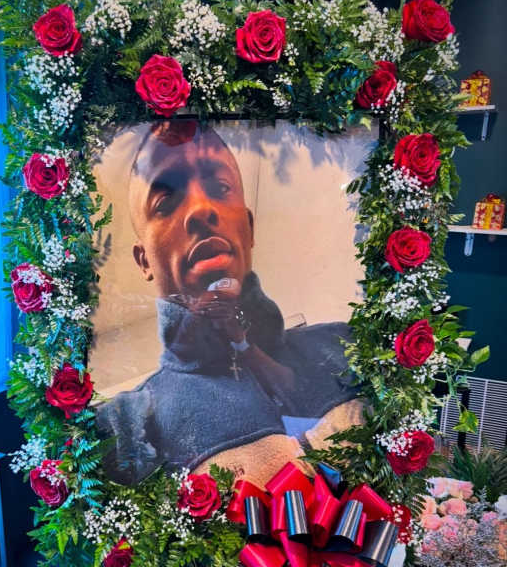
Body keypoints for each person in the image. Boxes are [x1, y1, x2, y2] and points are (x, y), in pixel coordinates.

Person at [95, 121, 363, 486]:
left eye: (220, 188)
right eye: (166, 202)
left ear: (249, 227)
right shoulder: (129, 430)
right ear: (144, 261)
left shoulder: (343, 347)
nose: (201, 209)